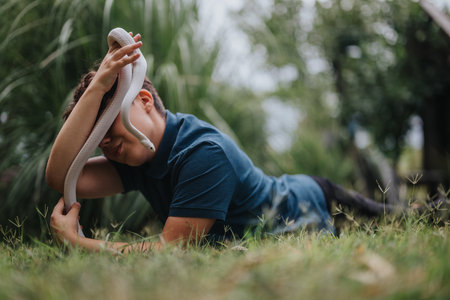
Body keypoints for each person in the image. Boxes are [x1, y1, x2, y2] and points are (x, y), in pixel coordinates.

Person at [46, 33, 407, 253]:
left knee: (413, 220)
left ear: (142, 101)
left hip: (312, 204)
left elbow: (170, 251)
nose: (105, 143)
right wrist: (96, 89)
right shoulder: (136, 158)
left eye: (110, 125)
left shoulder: (202, 153)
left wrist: (80, 244)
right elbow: (61, 177)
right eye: (98, 137)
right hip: (305, 192)